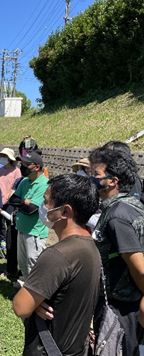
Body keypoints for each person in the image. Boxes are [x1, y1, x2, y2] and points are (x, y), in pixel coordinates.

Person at [12, 174, 101, 355]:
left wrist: (33, 301)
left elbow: (21, 307)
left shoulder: (56, 255)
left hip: (49, 349)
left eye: (47, 202)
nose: (43, 208)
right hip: (76, 348)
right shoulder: (91, 246)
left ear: (65, 211)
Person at [89, 147, 144, 355]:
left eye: (96, 174)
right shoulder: (131, 205)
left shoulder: (117, 217)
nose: (91, 179)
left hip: (122, 309)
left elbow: (140, 270)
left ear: (113, 180)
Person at [9, 151, 49, 285]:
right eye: (22, 163)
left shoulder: (44, 184)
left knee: (34, 264)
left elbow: (32, 209)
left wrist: (23, 203)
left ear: (36, 167)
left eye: (26, 164)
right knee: (23, 264)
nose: (22, 166)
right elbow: (12, 200)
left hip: (35, 232)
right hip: (21, 228)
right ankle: (26, 288)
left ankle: (37, 295)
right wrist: (25, 201)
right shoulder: (25, 181)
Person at [0, 148, 22, 264]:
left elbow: (16, 187)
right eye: (1, 156)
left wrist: (6, 200)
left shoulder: (16, 171)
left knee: (10, 225)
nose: (2, 159)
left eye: (4, 156)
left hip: (10, 203)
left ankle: (10, 248)